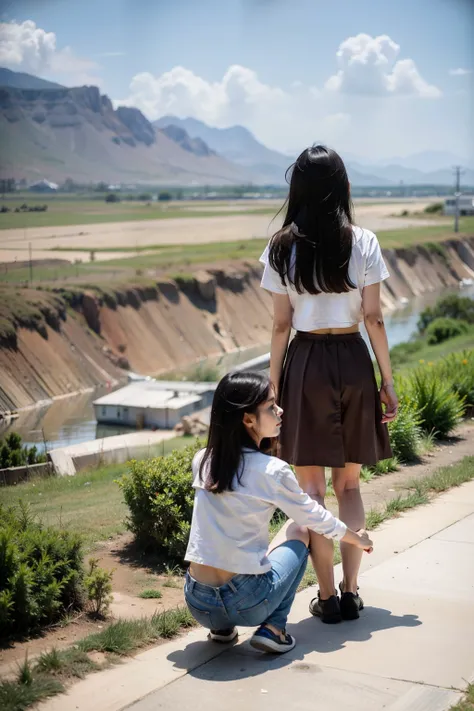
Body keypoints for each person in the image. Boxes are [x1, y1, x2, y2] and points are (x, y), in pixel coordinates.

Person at [260, 145, 398, 625]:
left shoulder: (281, 247)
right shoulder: (364, 241)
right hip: (354, 360)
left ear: (297, 187)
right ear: (341, 187)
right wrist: (387, 379)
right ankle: (353, 589)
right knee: (351, 484)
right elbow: (375, 318)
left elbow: (280, 326)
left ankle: (327, 597)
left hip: (305, 363)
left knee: (312, 491)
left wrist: (272, 387)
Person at [184, 370, 373, 654]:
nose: (280, 410)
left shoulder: (203, 459)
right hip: (248, 604)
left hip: (198, 603)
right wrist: (357, 540)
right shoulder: (271, 470)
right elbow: (315, 518)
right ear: (248, 419)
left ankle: (222, 630)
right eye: (271, 406)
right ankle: (274, 628)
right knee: (300, 529)